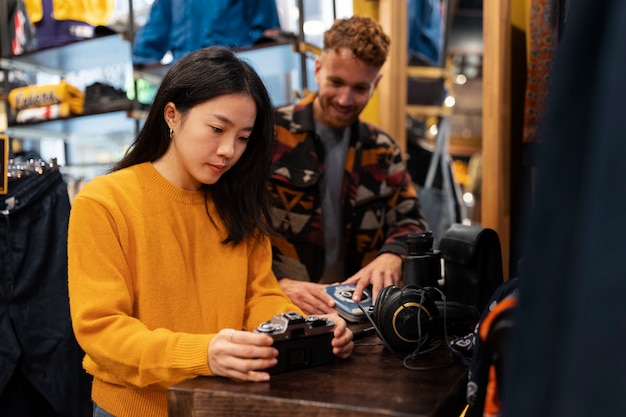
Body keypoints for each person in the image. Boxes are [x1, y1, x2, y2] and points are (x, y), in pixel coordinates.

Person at [67, 46, 353, 417]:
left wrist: (304, 329)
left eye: (243, 138)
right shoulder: (104, 202)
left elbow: (260, 296)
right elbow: (101, 331)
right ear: (172, 115)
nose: (228, 151)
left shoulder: (238, 203)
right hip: (134, 409)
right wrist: (203, 354)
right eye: (217, 129)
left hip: (227, 404)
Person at [268, 15, 428, 315]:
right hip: (280, 307)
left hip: (357, 313)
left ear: (376, 84)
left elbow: (412, 222)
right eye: (336, 82)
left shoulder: (383, 150)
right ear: (318, 69)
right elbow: (232, 224)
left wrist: (393, 255)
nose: (345, 99)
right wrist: (277, 283)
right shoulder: (268, 135)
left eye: (360, 88)